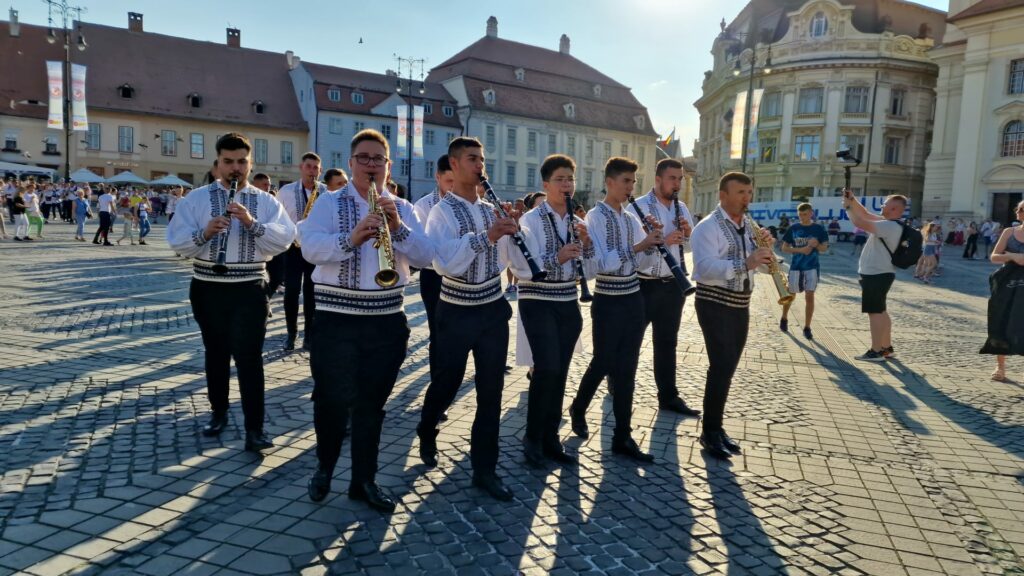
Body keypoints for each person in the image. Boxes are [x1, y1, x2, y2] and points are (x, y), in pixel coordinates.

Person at [301, 129, 432, 512]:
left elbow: (426, 257)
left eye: (379, 159)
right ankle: (324, 467)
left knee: (372, 405)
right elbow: (309, 247)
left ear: (388, 166)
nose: (371, 165)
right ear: (351, 162)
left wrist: (398, 230)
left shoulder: (403, 208)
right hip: (335, 318)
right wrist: (351, 239)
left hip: (386, 320)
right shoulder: (328, 202)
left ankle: (364, 480)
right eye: (364, 158)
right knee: (331, 399)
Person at [166, 132, 296, 452]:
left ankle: (255, 428)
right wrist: (205, 233)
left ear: (250, 163)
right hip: (207, 286)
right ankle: (218, 412)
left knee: (250, 358)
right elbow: (177, 242)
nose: (235, 168)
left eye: (241, 162)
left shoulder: (266, 201)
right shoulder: (195, 199)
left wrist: (253, 224)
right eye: (228, 162)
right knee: (216, 352)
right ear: (217, 164)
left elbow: (284, 240)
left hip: (249, 287)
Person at [416, 137, 518, 501]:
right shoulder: (441, 212)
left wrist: (510, 232)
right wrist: (487, 236)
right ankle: (427, 427)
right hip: (457, 311)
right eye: (473, 159)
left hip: (492, 309)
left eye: (482, 159)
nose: (480, 165)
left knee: (492, 392)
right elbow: (445, 265)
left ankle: (484, 470)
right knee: (447, 381)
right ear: (454, 166)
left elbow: (509, 263)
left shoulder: (492, 208)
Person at [568, 157, 663, 463]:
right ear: (610, 182)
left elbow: (644, 265)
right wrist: (638, 246)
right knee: (604, 361)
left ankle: (623, 436)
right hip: (608, 300)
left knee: (628, 368)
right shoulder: (595, 217)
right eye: (626, 181)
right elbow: (599, 265)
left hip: (634, 298)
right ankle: (578, 406)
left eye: (634, 182)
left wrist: (652, 243)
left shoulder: (631, 218)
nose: (631, 187)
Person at [510, 154, 596, 468]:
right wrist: (556, 258)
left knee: (559, 372)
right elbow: (520, 266)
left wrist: (587, 246)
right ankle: (532, 438)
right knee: (545, 369)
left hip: (568, 302)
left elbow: (590, 269)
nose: (566, 185)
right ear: (546, 185)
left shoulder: (579, 221)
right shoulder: (531, 219)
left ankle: (550, 437)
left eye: (570, 179)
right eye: (560, 179)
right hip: (537, 301)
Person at [690, 172, 774, 459]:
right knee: (721, 365)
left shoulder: (749, 227)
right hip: (714, 302)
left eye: (749, 192)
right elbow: (705, 268)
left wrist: (766, 254)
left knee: (727, 368)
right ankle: (709, 432)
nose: (746, 198)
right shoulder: (707, 227)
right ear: (723, 194)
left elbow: (758, 267)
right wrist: (746, 261)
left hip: (741, 303)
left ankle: (716, 427)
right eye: (740, 192)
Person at [633, 158, 701, 416]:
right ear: (658, 179)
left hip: (673, 285)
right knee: (632, 341)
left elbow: (692, 246)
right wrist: (660, 240)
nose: (677, 184)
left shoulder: (681, 207)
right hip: (643, 283)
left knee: (667, 343)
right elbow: (635, 251)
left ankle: (668, 396)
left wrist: (686, 235)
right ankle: (618, 384)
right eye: (673, 178)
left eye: (680, 179)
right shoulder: (638, 207)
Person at [412, 154, 455, 415]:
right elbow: (425, 247)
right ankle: (437, 394)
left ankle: (448, 385)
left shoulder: (469, 202)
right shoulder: (424, 206)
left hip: (459, 276)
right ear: (437, 177)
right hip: (433, 276)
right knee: (438, 335)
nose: (453, 185)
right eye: (449, 180)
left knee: (454, 337)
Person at [843, 189, 908, 361]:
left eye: (885, 203)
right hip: (881, 272)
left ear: (894, 208)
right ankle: (886, 348)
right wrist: (853, 200)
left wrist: (848, 208)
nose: (882, 206)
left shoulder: (889, 226)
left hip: (876, 273)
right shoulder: (891, 223)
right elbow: (865, 214)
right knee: (881, 310)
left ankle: (876, 350)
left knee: (875, 312)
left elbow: (859, 222)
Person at [279, 153, 326, 351]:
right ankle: (291, 333)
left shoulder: (325, 192)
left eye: (316, 168)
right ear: (301, 167)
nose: (312, 171)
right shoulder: (286, 191)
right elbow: (279, 218)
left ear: (320, 170)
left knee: (311, 293)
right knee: (290, 292)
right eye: (309, 166)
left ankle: (309, 335)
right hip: (292, 248)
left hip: (313, 248)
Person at [982, 201, 1024, 382]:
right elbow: (994, 256)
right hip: (1007, 281)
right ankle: (1000, 366)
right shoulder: (1009, 232)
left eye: (1022, 210)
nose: (1019, 212)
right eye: (1019, 209)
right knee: (1002, 318)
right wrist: (1013, 256)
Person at [780, 202, 829, 339]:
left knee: (810, 296)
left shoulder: (818, 229)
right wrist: (800, 250)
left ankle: (807, 327)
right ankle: (784, 317)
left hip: (812, 267)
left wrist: (816, 244)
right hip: (796, 267)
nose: (802, 217)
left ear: (811, 213)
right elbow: (784, 248)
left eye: (805, 214)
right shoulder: (794, 228)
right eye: (800, 214)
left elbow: (824, 248)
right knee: (791, 294)